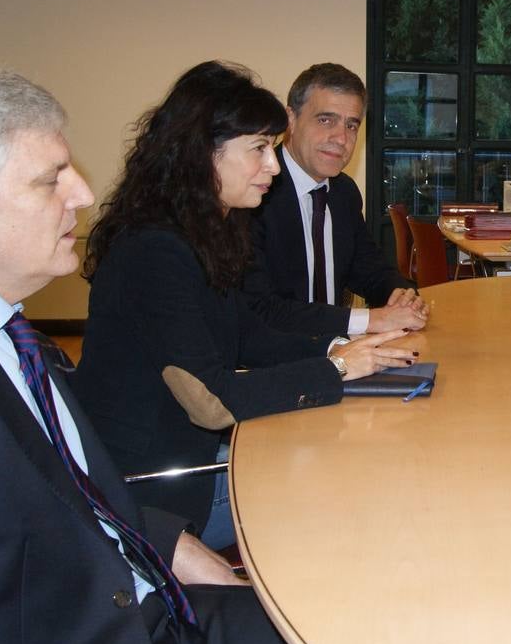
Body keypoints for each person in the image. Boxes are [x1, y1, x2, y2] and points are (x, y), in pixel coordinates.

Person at [0, 58, 319, 644]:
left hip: (143, 610)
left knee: (354, 637)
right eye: (50, 179)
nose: (83, 194)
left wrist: (166, 543)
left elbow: (64, 484)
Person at [75, 61, 413, 548]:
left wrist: (342, 349)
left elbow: (249, 336)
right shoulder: (153, 250)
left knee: (351, 457)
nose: (273, 166)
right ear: (202, 153)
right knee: (352, 487)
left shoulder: (203, 232)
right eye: (259, 149)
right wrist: (337, 368)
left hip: (190, 456)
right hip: (154, 493)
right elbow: (211, 403)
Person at [243, 62, 427, 336]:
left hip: (338, 350)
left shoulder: (344, 192)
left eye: (351, 125)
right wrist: (370, 320)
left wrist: (402, 296)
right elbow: (260, 308)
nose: (341, 138)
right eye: (325, 120)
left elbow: (369, 270)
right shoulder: (254, 193)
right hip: (275, 354)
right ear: (290, 120)